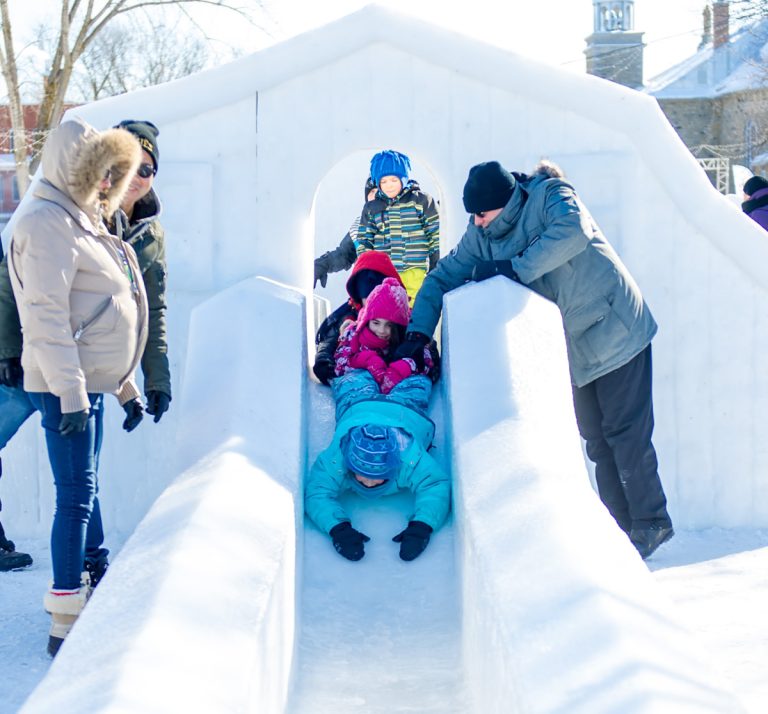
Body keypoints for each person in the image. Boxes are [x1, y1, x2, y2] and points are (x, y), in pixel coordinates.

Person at [397, 159, 674, 559]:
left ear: (503, 203)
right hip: (577, 346)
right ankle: (620, 531)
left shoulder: (550, 196)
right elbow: (443, 277)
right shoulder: (482, 234)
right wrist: (418, 333)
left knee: (624, 433)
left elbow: (572, 232)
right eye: (472, 215)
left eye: (481, 213)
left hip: (617, 330)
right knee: (597, 441)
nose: (475, 222)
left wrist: (513, 268)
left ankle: (651, 522)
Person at [0, 119, 171, 575]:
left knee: (81, 485)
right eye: (118, 168)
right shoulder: (55, 216)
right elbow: (34, 302)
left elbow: (138, 309)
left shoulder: (122, 226)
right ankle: (68, 596)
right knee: (74, 490)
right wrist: (7, 351)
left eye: (145, 170)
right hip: (42, 366)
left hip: (83, 371)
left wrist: (137, 382)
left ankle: (89, 566)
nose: (129, 178)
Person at [305, 369, 450, 562]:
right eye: (361, 474)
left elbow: (434, 484)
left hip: (404, 410)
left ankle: (417, 372)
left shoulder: (409, 457)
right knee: (351, 385)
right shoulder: (337, 457)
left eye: (378, 477)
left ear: (393, 466)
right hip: (359, 405)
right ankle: (356, 371)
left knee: (416, 386)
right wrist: (338, 529)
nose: (369, 483)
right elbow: (317, 492)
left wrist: (421, 527)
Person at [356, 150, 440, 302]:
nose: (389, 186)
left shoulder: (420, 201)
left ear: (404, 178)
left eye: (394, 180)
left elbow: (435, 233)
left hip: (415, 272)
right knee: (389, 309)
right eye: (383, 182)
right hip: (384, 275)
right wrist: (366, 271)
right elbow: (364, 241)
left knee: (417, 308)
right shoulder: (372, 208)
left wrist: (436, 264)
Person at [312, 250, 406, 386]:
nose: (372, 305)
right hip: (360, 377)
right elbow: (329, 341)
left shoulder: (400, 316)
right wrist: (324, 361)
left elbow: (420, 340)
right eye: (368, 300)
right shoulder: (349, 316)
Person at [333, 277, 434, 393]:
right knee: (355, 380)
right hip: (363, 388)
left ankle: (401, 403)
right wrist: (365, 360)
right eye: (376, 323)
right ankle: (363, 402)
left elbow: (427, 362)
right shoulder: (354, 335)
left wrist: (404, 367)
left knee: (418, 383)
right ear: (367, 321)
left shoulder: (409, 338)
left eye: (389, 325)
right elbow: (339, 367)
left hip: (398, 388)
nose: (382, 330)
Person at [314, 178, 377, 288]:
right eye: (372, 191)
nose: (375, 196)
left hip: (394, 287)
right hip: (367, 288)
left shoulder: (400, 220)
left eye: (379, 191)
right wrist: (323, 264)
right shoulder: (360, 224)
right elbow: (344, 254)